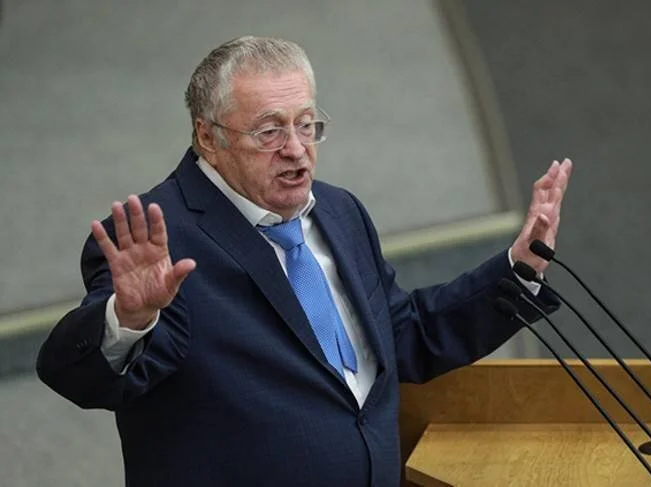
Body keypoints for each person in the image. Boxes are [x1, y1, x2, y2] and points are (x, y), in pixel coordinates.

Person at [36, 36, 572, 486]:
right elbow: (85, 378)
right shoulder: (156, 242)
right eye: (269, 131)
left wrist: (519, 269)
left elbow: (402, 338)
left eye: (307, 124)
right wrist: (129, 319)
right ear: (208, 137)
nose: (296, 148)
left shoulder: (340, 212)